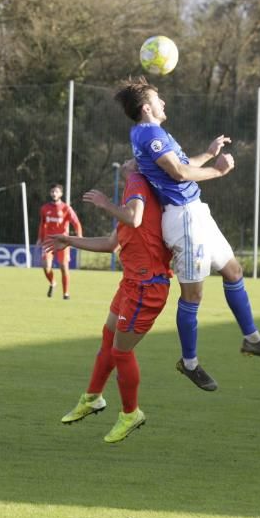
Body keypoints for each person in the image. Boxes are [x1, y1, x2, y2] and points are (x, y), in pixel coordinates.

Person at [115, 77, 260, 392]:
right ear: (147, 107)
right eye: (158, 99)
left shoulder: (155, 133)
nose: (164, 103)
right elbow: (178, 173)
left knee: (233, 271)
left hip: (197, 211)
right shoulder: (149, 133)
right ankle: (189, 363)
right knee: (193, 295)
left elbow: (181, 166)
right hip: (184, 219)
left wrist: (207, 154)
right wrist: (218, 171)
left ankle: (252, 339)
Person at [51, 160, 169, 443]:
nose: (127, 159)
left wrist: (104, 203)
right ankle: (92, 397)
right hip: (130, 282)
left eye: (132, 157)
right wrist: (69, 240)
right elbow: (109, 243)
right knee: (108, 336)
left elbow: (135, 218)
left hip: (146, 286)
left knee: (121, 352)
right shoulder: (133, 191)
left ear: (139, 165)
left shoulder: (138, 184)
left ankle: (131, 414)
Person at [37, 183, 83, 300]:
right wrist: (40, 238)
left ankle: (66, 293)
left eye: (56, 192)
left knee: (63, 266)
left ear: (61, 194)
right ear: (50, 193)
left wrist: (79, 236)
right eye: (52, 191)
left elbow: (76, 223)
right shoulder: (44, 208)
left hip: (63, 241)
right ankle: (53, 283)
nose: (54, 194)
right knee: (46, 266)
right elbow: (42, 225)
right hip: (49, 241)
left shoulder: (66, 208)